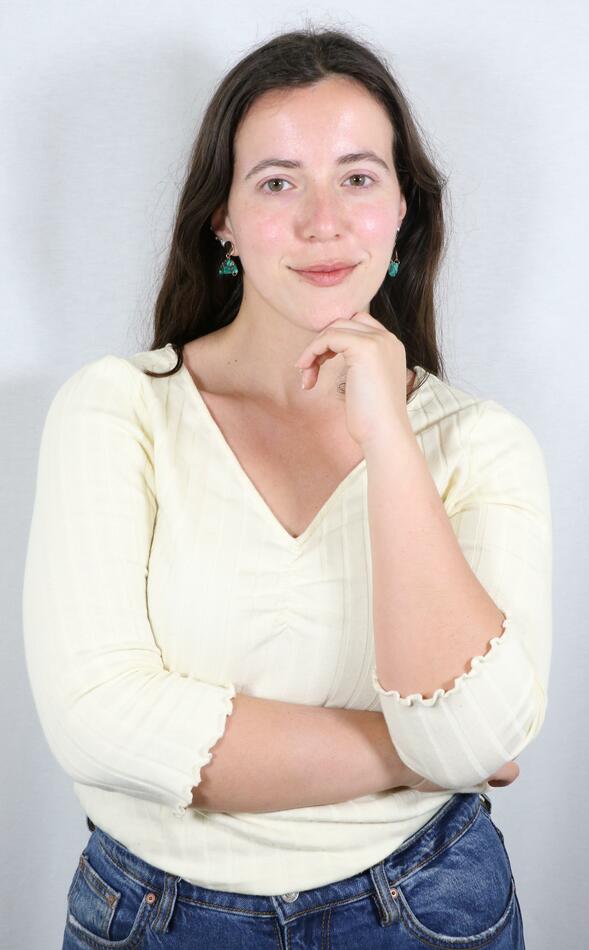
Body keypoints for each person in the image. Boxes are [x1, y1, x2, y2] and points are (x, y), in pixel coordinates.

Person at [22, 25, 551, 949]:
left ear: (403, 209)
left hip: (426, 912)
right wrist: (420, 755)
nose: (322, 222)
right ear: (221, 219)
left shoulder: (481, 444)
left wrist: (387, 435)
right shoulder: (117, 409)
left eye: (358, 178)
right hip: (152, 918)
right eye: (277, 182)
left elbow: (474, 740)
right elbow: (100, 722)